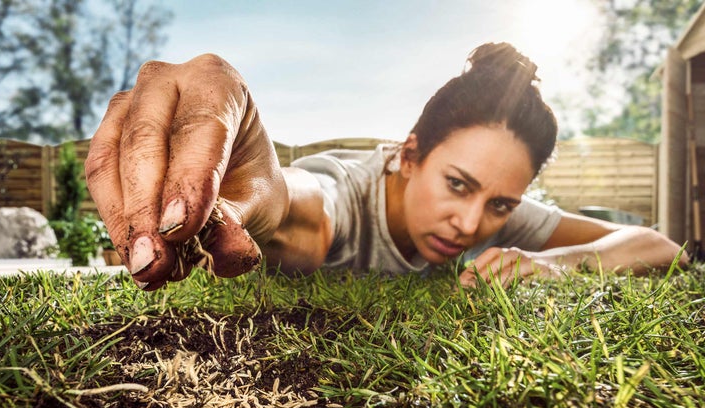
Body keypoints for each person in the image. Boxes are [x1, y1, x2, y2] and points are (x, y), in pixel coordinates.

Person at [85, 42, 688, 292]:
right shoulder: (347, 192)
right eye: (458, 185)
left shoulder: (498, 219)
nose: (471, 223)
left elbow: (660, 246)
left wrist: (552, 263)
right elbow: (301, 210)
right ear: (407, 156)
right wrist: (264, 197)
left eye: (500, 204)